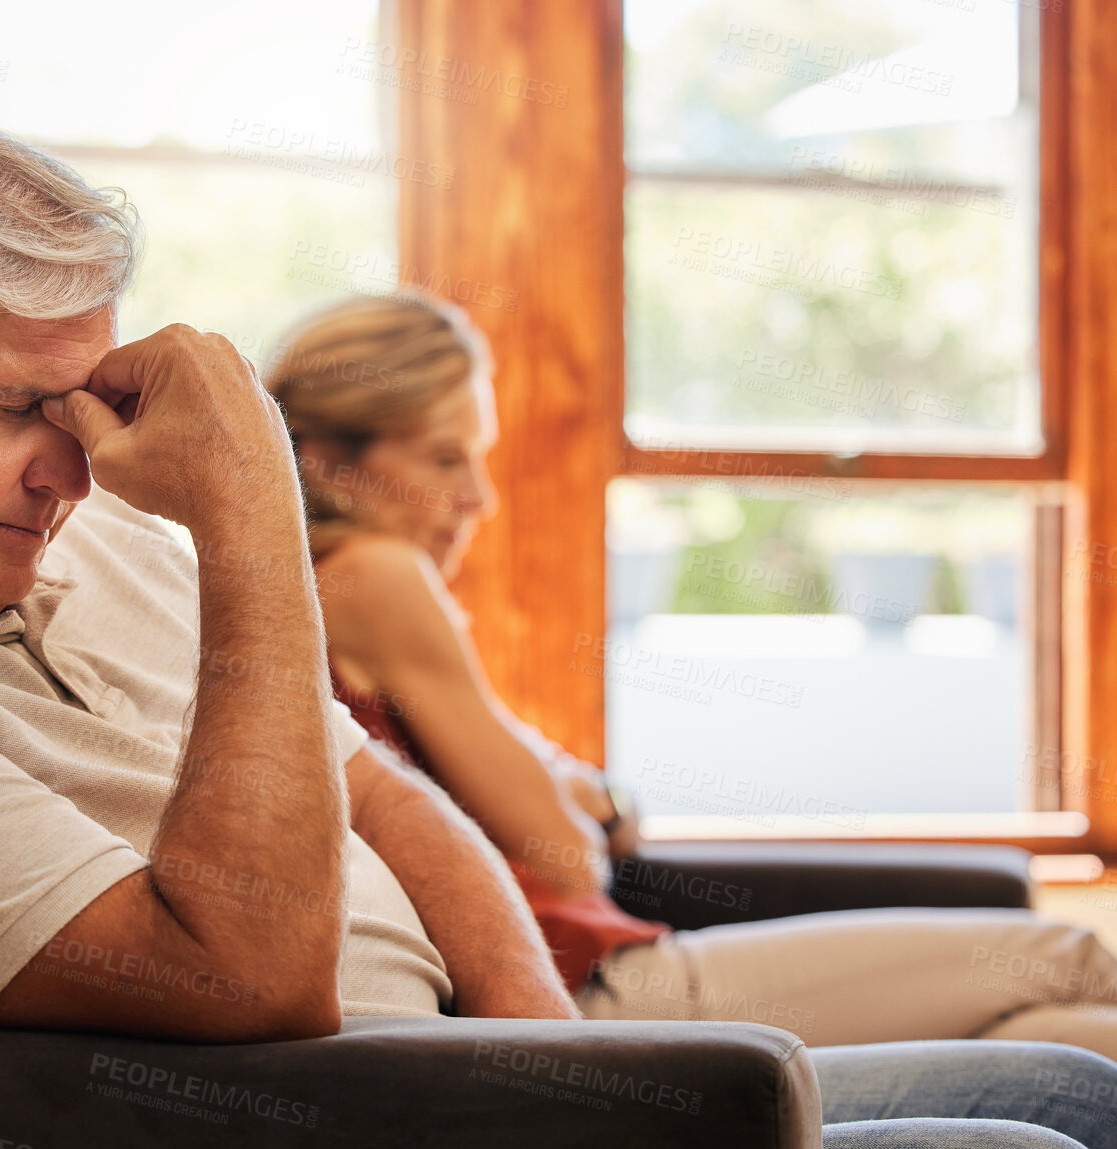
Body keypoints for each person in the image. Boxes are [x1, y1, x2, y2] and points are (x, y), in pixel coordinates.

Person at [0, 112, 1110, 1147]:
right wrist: (251, 509)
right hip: (379, 1125)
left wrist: (566, 1068)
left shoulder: (60, 549)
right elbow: (249, 977)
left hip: (511, 1081)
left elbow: (382, 791)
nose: (72, 468)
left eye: (81, 407)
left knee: (1067, 1084)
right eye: (20, 407)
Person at [262, 292, 1117, 1061]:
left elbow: (582, 808)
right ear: (335, 466)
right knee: (1068, 957)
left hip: (590, 978)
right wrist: (581, 797)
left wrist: (582, 797)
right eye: (446, 460)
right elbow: (568, 859)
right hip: (587, 994)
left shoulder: (308, 584)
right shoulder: (375, 576)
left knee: (1066, 1041)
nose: (481, 497)